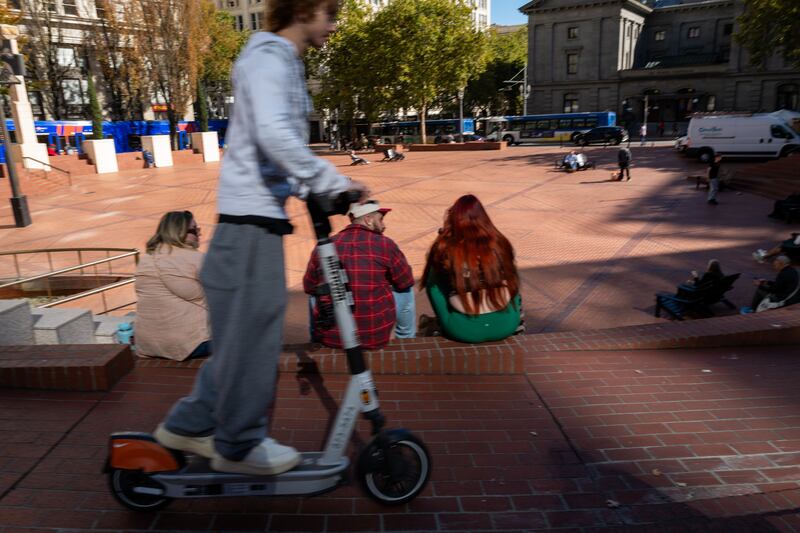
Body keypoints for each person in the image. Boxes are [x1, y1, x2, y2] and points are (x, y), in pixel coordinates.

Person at [153, 0, 368, 477]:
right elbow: (273, 134)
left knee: (241, 345)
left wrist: (310, 188)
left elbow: (267, 150)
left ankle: (188, 425)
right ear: (307, 9)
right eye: (329, 14)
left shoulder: (278, 61)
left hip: (253, 228)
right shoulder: (269, 59)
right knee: (253, 346)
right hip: (248, 232)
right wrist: (331, 183)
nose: (333, 25)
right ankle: (239, 445)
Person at [303, 199, 415, 349]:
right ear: (368, 219)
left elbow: (308, 286)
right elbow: (405, 281)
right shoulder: (385, 244)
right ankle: (406, 340)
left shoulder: (325, 246)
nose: (383, 225)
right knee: (406, 290)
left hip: (332, 338)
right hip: (374, 337)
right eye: (380, 220)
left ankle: (315, 341)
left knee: (315, 293)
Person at [420, 195, 522, 344]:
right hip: (507, 324)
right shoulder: (500, 242)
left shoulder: (445, 247)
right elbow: (513, 279)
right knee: (510, 273)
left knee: (436, 284)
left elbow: (432, 287)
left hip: (462, 328)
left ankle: (448, 321)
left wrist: (446, 319)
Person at [135, 211, 210, 361]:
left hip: (148, 344)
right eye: (194, 230)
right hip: (191, 344)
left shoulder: (145, 260)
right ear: (180, 232)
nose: (199, 234)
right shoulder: (196, 259)